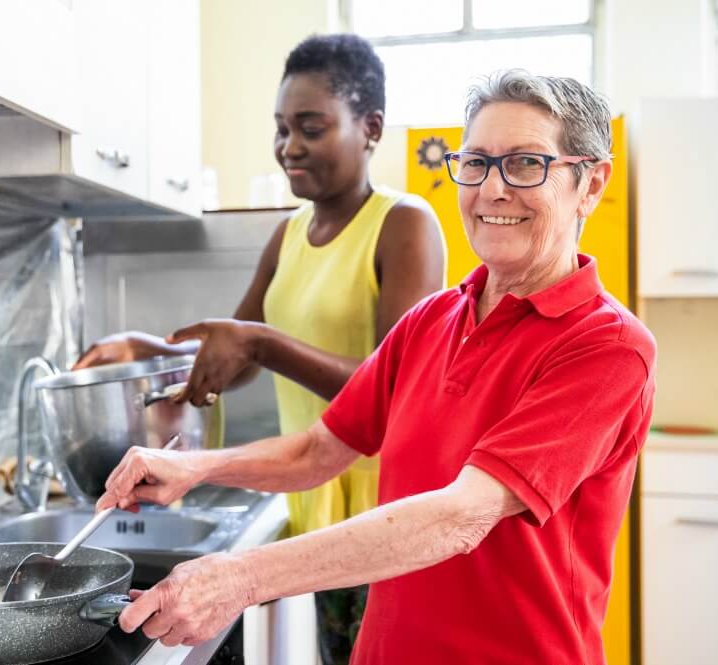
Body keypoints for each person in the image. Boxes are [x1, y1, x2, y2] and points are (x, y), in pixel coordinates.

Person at [96, 69, 657, 665]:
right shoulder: (431, 320)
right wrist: (193, 467)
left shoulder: (607, 346)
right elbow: (321, 449)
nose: (493, 189)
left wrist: (239, 579)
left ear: (590, 185)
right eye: (476, 163)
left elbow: (460, 519)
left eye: (525, 164)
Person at [74, 33, 446, 664]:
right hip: (306, 484)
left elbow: (397, 388)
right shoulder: (288, 234)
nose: (289, 148)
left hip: (382, 500)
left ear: (371, 127)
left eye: (311, 127)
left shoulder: (404, 223)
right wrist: (137, 348)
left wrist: (263, 343)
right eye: (281, 129)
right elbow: (236, 353)